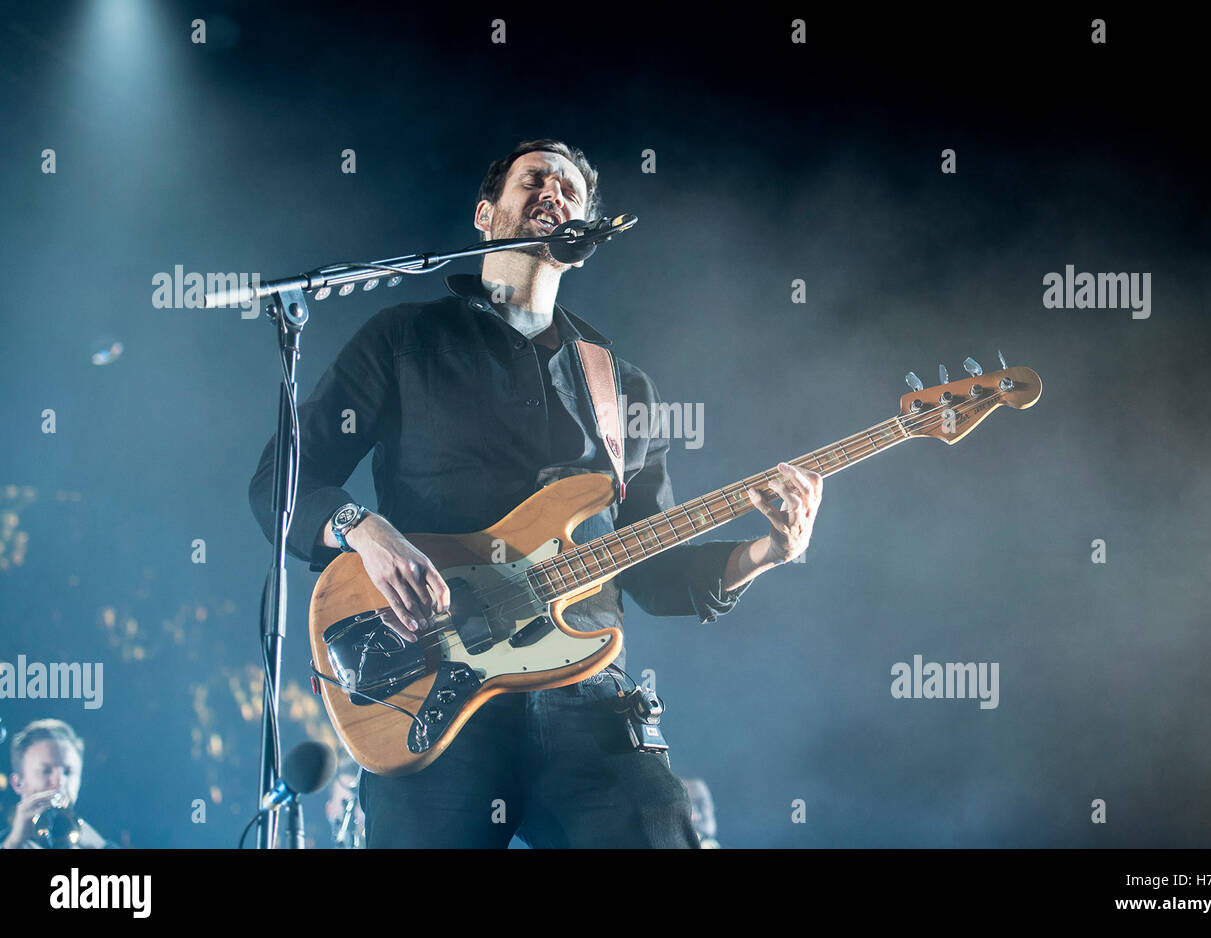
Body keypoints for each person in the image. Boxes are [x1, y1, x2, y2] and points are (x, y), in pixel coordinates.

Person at [249, 138, 823, 847]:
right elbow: (281, 480)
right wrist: (365, 530)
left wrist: (769, 549)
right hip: (431, 685)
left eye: (572, 190)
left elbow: (651, 568)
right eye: (536, 179)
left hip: (586, 701)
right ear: (486, 214)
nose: (556, 191)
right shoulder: (404, 339)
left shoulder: (624, 389)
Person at [2, 718, 113, 849]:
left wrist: (102, 846)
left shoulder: (96, 843)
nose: (60, 783)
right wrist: (13, 844)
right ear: (18, 783)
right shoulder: (9, 843)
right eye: (46, 771)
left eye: (68, 772)